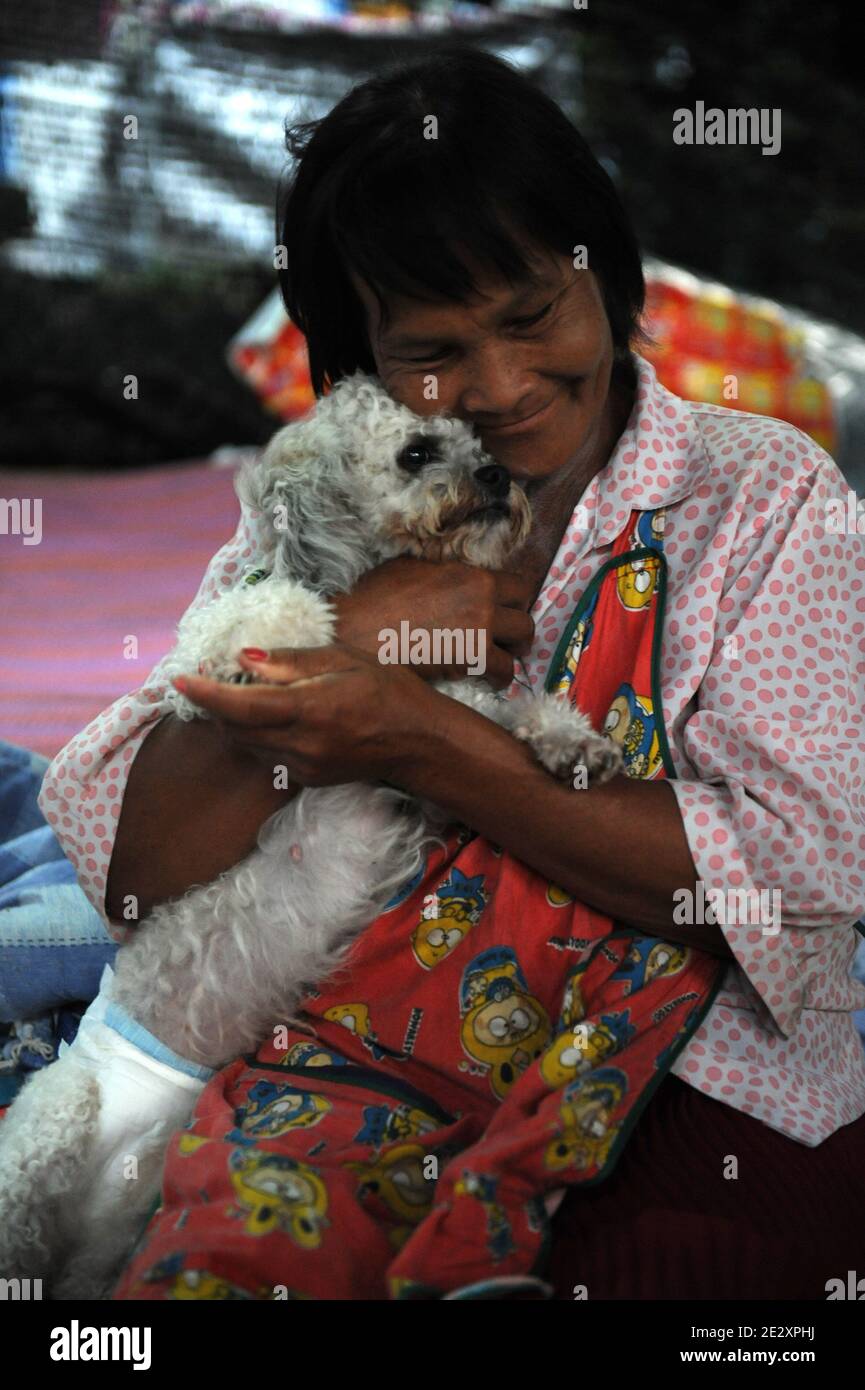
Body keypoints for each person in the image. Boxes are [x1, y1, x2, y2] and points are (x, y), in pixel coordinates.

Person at [36, 48, 865, 1300]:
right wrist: (355, 638)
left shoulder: (763, 499)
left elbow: (798, 870)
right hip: (334, 1067)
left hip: (676, 1069)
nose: (499, 387)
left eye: (535, 316)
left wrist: (413, 735)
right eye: (432, 349)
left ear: (609, 273)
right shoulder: (320, 518)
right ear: (355, 357)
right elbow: (146, 874)